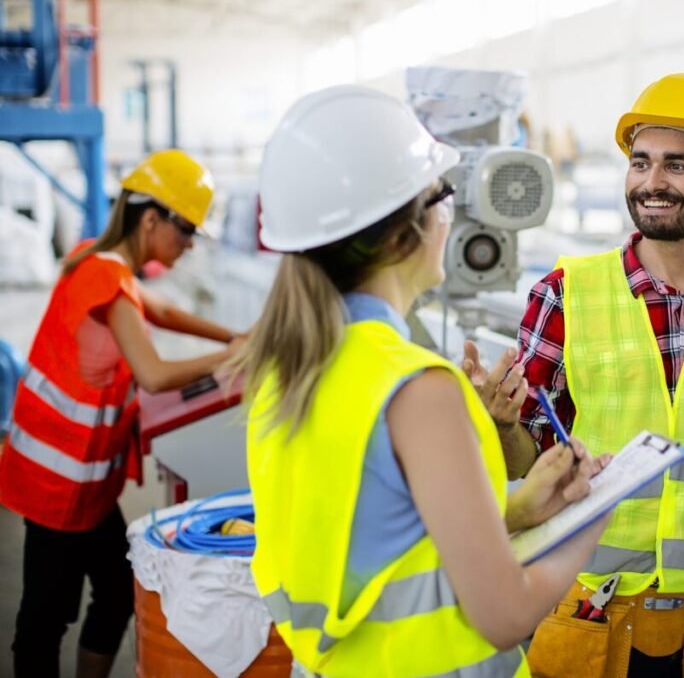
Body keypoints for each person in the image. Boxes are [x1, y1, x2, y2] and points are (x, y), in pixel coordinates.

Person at [238, 85, 610, 677]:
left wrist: (516, 509)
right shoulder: (420, 391)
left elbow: (379, 540)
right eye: (442, 194)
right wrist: (592, 521)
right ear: (400, 234)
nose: (450, 214)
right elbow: (506, 614)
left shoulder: (288, 369)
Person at [463, 73, 684, 677]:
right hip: (593, 615)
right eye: (641, 162)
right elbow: (528, 461)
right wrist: (500, 423)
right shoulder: (564, 294)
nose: (652, 182)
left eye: (676, 165)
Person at [0, 149, 245, 678]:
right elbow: (152, 373)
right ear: (151, 218)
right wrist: (237, 357)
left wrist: (236, 337)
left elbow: (161, 310)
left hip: (88, 484)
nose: (189, 244)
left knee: (115, 591)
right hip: (58, 487)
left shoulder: (100, 262)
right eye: (186, 230)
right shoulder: (103, 277)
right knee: (46, 618)